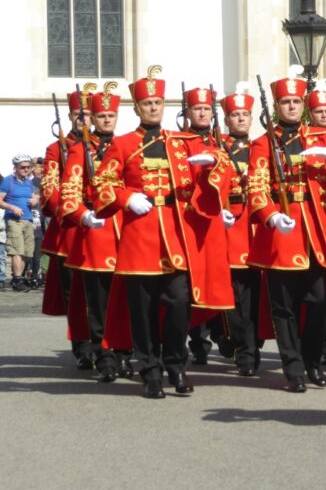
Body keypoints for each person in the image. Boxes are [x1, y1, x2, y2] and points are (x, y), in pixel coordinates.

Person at [93, 65, 234, 399]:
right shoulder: (123, 145)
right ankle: (150, 370)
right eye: (147, 103)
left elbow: (220, 160)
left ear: (164, 105)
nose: (153, 108)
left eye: (157, 102)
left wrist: (213, 164)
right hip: (140, 235)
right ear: (137, 108)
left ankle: (177, 365)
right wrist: (127, 198)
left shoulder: (182, 142)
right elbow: (102, 182)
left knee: (178, 302)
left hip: (175, 232)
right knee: (141, 310)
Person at [247, 71, 326, 393]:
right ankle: (293, 367)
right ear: (276, 106)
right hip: (284, 230)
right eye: (285, 102)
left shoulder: (324, 137)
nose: (292, 107)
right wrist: (269, 215)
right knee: (283, 306)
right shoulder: (263, 143)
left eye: (296, 101)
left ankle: (312, 359)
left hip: (318, 229)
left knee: (320, 300)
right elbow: (255, 183)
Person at [59, 81, 132, 382]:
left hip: (126, 231)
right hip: (97, 231)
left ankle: (126, 353)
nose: (105, 121)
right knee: (99, 300)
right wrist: (83, 215)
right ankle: (104, 357)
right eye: (100, 116)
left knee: (127, 299)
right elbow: (69, 191)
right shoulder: (79, 150)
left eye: (110, 116)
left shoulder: (127, 145)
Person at [40, 84, 94, 367]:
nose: (82, 119)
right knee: (75, 294)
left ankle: (108, 342)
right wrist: (75, 209)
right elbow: (50, 189)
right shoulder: (56, 148)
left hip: (100, 226)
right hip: (69, 231)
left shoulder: (103, 145)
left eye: (87, 113)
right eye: (77, 113)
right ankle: (83, 346)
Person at [182, 86, 232, 364]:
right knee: (191, 282)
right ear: (188, 113)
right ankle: (197, 340)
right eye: (197, 109)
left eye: (206, 109)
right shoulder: (178, 143)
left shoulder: (222, 142)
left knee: (218, 279)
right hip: (190, 220)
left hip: (218, 222)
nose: (202, 113)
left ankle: (223, 334)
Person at [217, 83, 263, 376]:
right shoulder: (217, 147)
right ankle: (242, 348)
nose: (241, 119)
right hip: (230, 224)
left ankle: (253, 343)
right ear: (227, 119)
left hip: (256, 223)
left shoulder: (261, 147)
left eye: (245, 114)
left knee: (256, 293)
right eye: (235, 115)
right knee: (234, 293)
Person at [0, 154, 40, 292]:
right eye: (22, 167)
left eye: (28, 167)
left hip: (28, 219)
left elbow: (35, 196)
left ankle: (20, 277)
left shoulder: (29, 182)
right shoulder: (8, 181)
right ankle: (17, 278)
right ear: (15, 167)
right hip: (14, 220)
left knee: (27, 251)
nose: (26, 170)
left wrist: (35, 200)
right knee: (17, 250)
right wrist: (12, 207)